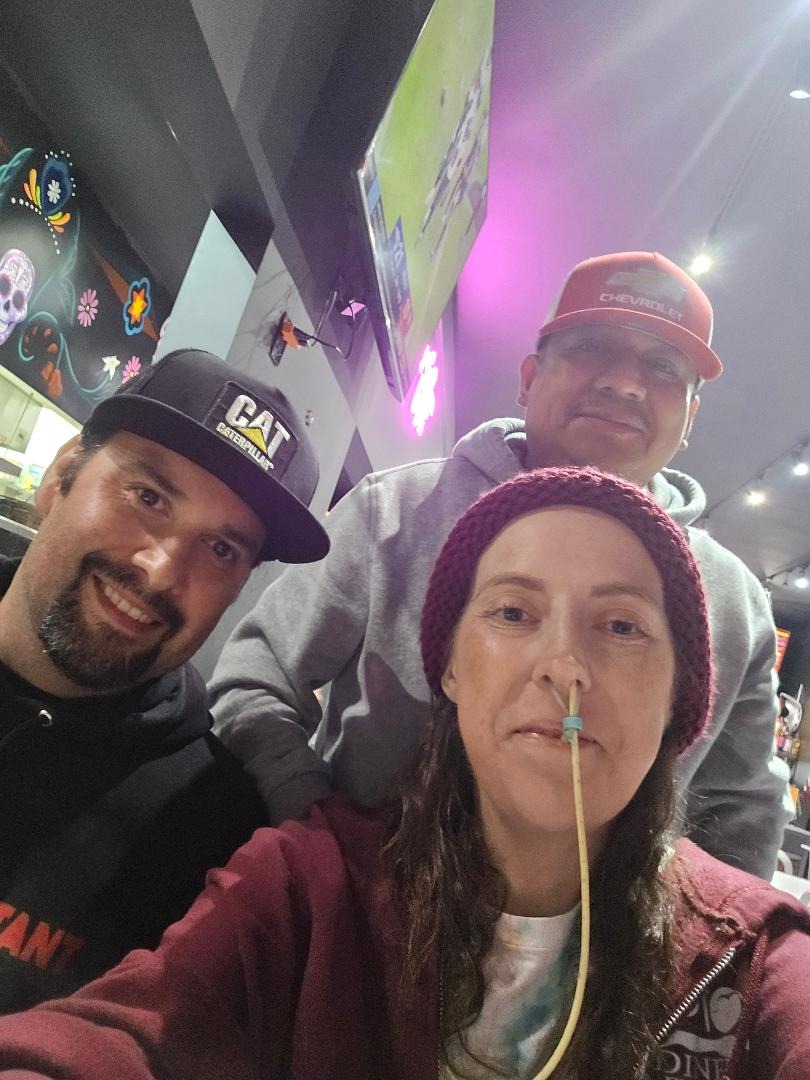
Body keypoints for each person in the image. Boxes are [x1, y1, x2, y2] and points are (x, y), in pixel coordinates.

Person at [0, 467, 805, 1080]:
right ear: (449, 669)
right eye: (513, 612)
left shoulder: (753, 961)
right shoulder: (305, 892)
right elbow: (124, 1034)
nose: (565, 665)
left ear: (679, 699)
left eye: (622, 625)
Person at [209, 250, 784, 878]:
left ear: (690, 416)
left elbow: (742, 811)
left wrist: (696, 931)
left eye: (663, 366)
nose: (625, 383)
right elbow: (257, 675)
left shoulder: (734, 602)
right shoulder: (394, 510)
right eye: (592, 347)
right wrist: (316, 832)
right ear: (529, 379)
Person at [0, 347, 329, 1013]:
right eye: (148, 497)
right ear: (61, 477)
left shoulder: (212, 845)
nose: (160, 571)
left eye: (221, 549)